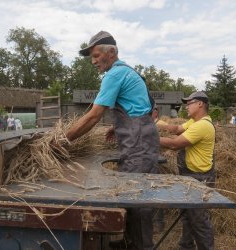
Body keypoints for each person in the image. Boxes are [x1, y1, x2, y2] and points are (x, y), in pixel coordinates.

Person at [62, 31, 159, 250]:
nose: (94, 62)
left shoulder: (114, 74)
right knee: (131, 191)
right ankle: (129, 242)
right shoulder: (129, 72)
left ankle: (142, 246)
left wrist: (63, 139)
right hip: (139, 138)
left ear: (112, 52)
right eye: (92, 58)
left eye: (96, 56)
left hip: (139, 143)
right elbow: (142, 107)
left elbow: (93, 116)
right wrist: (117, 126)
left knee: (140, 197)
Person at [157, 91, 215, 250]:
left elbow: (174, 144)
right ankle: (186, 246)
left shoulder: (202, 125)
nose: (186, 106)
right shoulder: (194, 122)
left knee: (199, 220)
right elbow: (176, 128)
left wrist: (146, 136)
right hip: (192, 175)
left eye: (189, 103)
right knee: (188, 216)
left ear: (200, 104)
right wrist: (158, 124)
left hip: (201, 178)